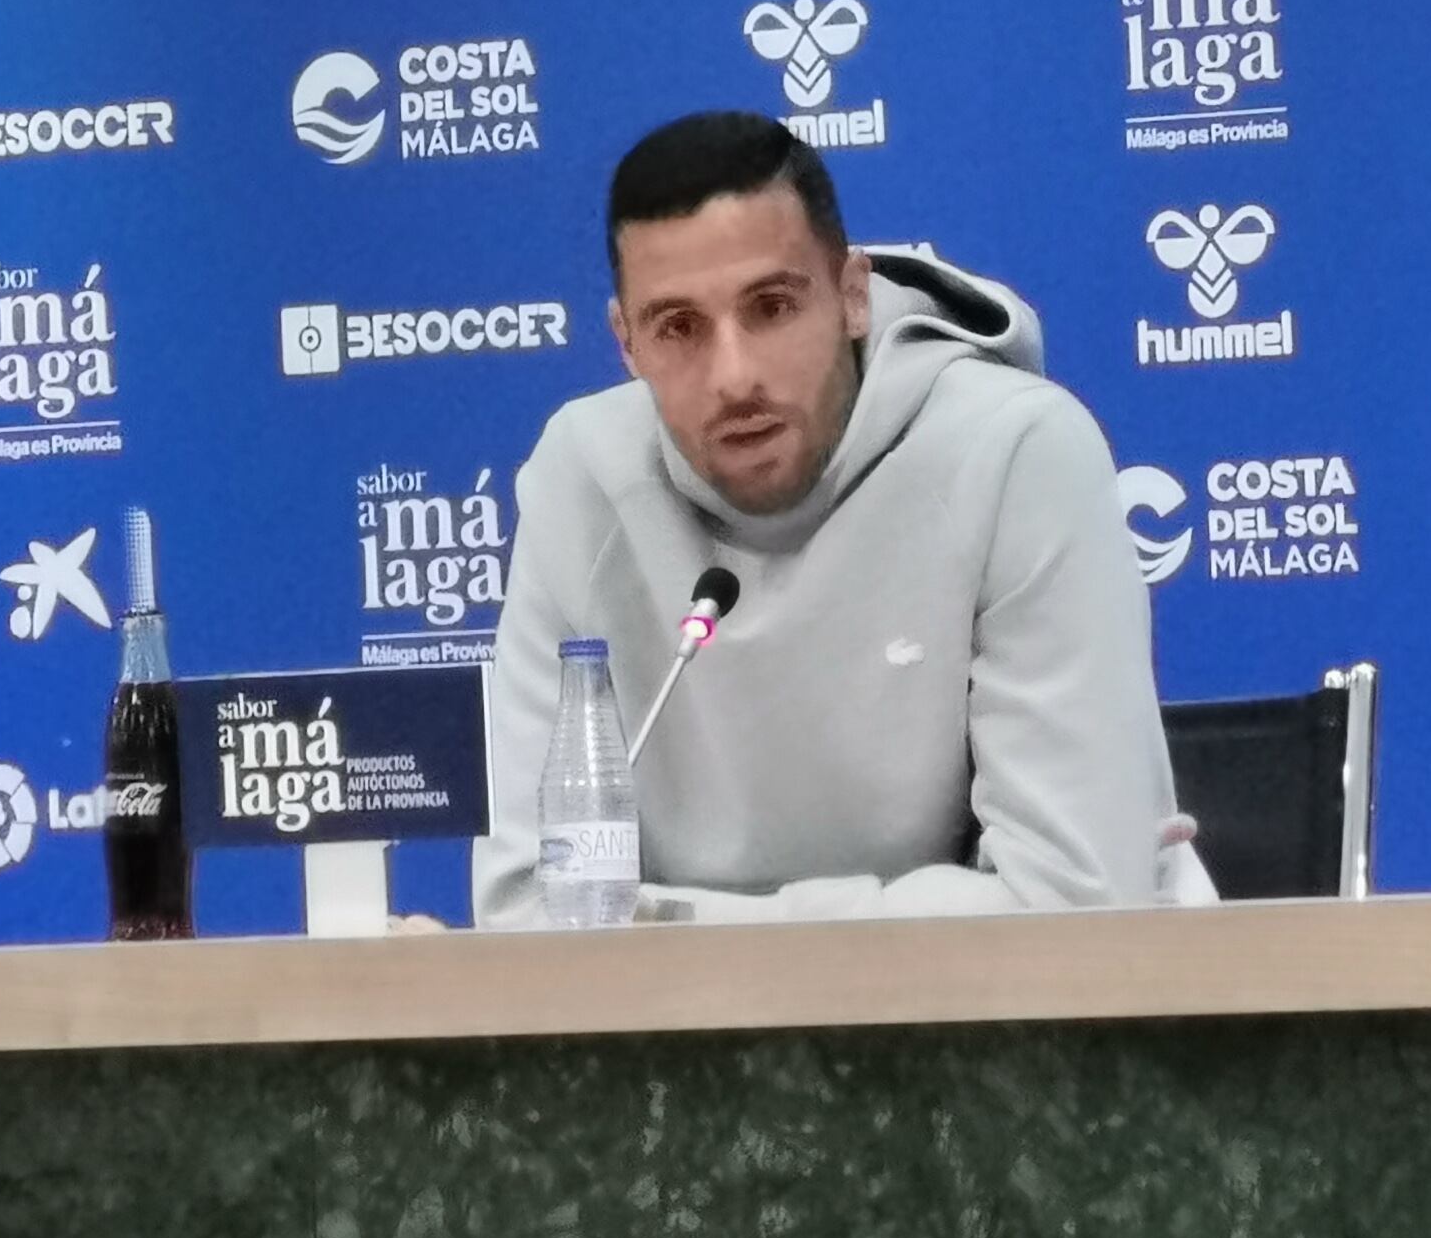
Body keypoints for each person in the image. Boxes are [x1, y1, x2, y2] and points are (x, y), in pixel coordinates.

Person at [474, 110, 1189, 923]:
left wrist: (676, 928)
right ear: (626, 345)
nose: (733, 376)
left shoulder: (1015, 450)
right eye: (678, 328)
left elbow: (1075, 906)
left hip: (999, 1033)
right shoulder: (582, 478)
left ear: (852, 296)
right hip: (687, 1037)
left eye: (772, 307)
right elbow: (531, 912)